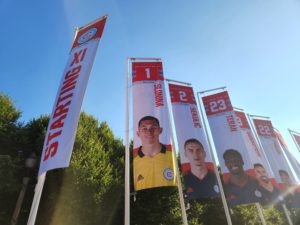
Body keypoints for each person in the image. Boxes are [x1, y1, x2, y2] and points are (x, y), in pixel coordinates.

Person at [133, 116, 176, 191]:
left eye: (154, 128)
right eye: (144, 128)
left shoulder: (172, 156)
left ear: (160, 130)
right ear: (138, 133)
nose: (149, 132)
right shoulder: (133, 160)